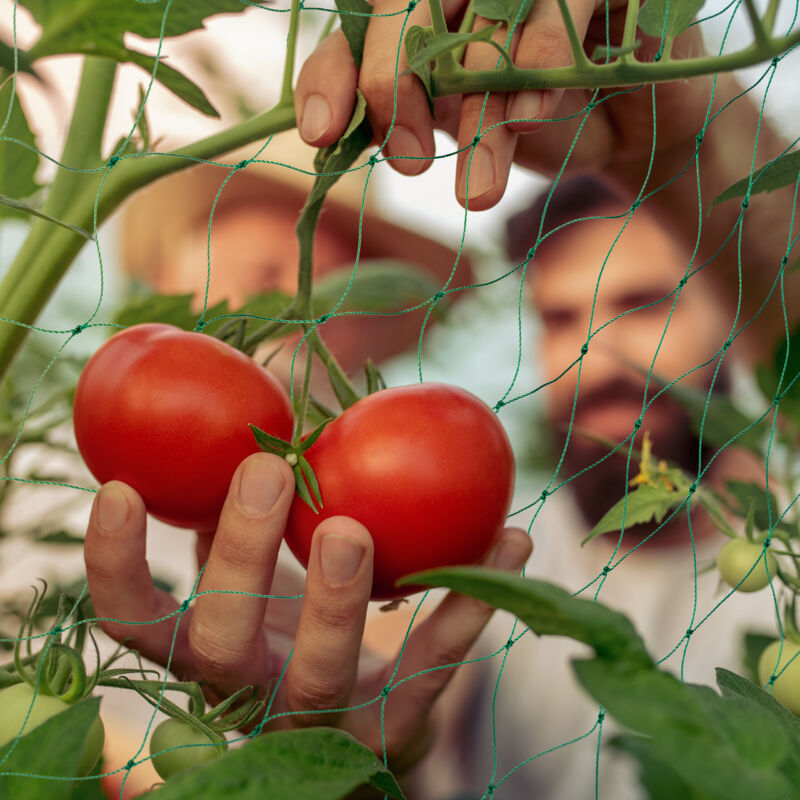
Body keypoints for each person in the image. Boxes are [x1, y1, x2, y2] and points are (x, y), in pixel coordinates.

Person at [85, 5, 798, 799]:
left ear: (737, 313)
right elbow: (407, 719)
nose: (599, 354)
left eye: (644, 303)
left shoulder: (786, 551)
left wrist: (684, 148)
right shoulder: (507, 557)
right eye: (562, 318)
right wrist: (355, 761)